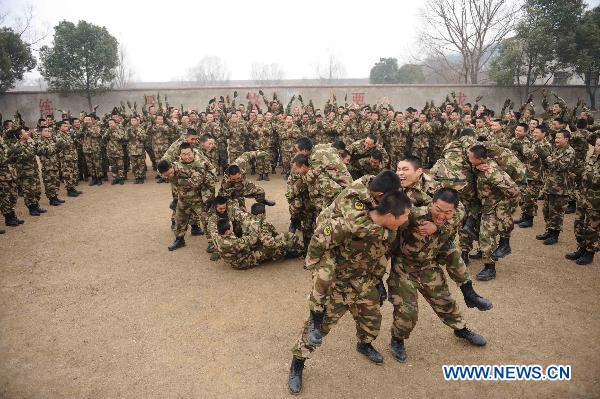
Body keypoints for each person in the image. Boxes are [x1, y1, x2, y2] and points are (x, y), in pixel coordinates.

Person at [288, 191, 412, 395]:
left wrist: (378, 280)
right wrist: (317, 274)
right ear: (390, 215)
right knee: (317, 329)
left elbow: (382, 256)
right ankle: (298, 364)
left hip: (364, 284)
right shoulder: (347, 225)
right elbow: (319, 244)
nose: (407, 220)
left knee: (371, 321)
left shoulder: (390, 231)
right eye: (405, 215)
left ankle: (364, 344)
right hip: (338, 286)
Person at [387, 188, 488, 364]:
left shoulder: (454, 217)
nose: (442, 215)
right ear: (431, 203)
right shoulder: (414, 215)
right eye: (438, 210)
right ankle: (397, 339)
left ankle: (460, 328)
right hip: (404, 267)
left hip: (429, 266)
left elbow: (457, 214)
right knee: (407, 311)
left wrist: (437, 226)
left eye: (448, 212)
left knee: (445, 301)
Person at [396, 156, 492, 309]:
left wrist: (437, 226)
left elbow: (458, 209)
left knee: (452, 252)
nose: (400, 173)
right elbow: (400, 214)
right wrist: (428, 211)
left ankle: (469, 293)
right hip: (409, 242)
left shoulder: (434, 186)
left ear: (419, 171)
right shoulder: (395, 189)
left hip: (436, 236)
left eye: (405, 169)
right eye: (398, 169)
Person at [467, 145, 520, 280]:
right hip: (485, 207)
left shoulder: (492, 172)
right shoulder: (481, 166)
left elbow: (514, 191)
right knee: (482, 234)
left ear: (481, 159)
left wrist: (505, 209)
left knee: (486, 236)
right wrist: (476, 167)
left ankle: (490, 268)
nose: (468, 159)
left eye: (471, 158)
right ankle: (485, 255)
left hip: (494, 209)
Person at [535, 130, 575, 245]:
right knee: (547, 210)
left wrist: (546, 157)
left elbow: (560, 166)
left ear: (566, 139)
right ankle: (549, 230)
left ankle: (555, 235)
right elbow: (550, 165)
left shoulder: (569, 151)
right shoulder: (557, 149)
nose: (556, 140)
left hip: (560, 188)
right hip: (550, 185)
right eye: (556, 138)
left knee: (556, 212)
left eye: (559, 138)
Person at [565, 137, 599, 265]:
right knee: (579, 224)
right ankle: (581, 248)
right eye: (596, 144)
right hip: (584, 198)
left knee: (592, 228)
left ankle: (589, 252)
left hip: (596, 203)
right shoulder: (593, 158)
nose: (597, 147)